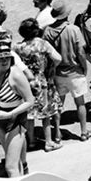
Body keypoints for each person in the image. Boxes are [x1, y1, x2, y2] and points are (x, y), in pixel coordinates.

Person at [0, 33, 35, 176]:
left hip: (15, 120)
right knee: (14, 160)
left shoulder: (16, 75)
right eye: (0, 58)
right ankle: (24, 175)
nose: (4, 61)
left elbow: (30, 101)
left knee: (10, 166)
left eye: (7, 58)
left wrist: (10, 114)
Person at [43, 0, 91, 140]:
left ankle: (57, 133)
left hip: (58, 73)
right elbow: (81, 52)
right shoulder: (73, 30)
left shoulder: (47, 31)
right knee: (80, 103)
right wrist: (84, 67)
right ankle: (83, 132)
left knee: (58, 105)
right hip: (75, 72)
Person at [14, 18, 62, 151]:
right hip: (41, 80)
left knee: (30, 113)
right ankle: (48, 142)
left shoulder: (18, 47)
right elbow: (58, 58)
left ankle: (31, 141)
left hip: (25, 81)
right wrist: (49, 67)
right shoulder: (42, 44)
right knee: (45, 112)